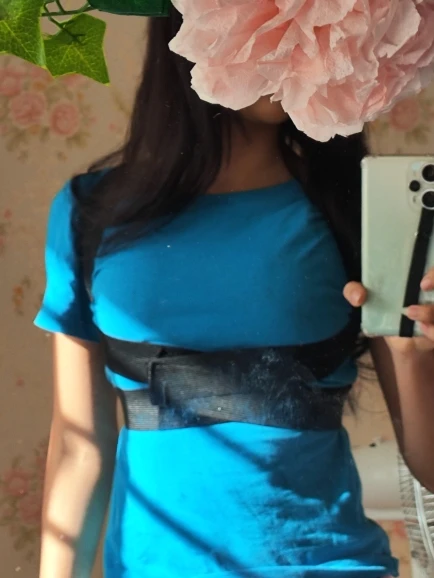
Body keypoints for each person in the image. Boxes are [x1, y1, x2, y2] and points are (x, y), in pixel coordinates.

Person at [34, 8, 434, 578]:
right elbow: (80, 447)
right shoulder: (88, 213)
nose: (299, 52)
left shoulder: (354, 211)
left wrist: (414, 355)